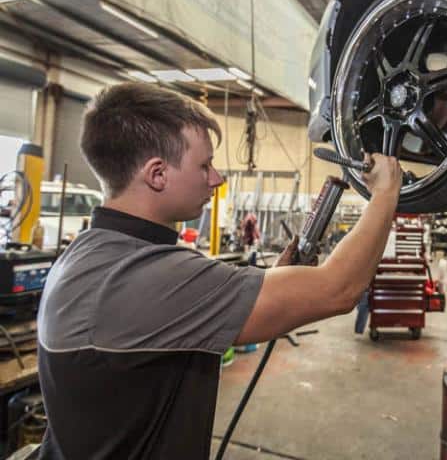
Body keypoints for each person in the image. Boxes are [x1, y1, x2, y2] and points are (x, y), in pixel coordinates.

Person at [36, 82, 402, 459]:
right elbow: (338, 290)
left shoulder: (90, 252)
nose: (217, 178)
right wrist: (386, 195)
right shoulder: (146, 275)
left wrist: (272, 282)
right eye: (204, 165)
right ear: (157, 174)